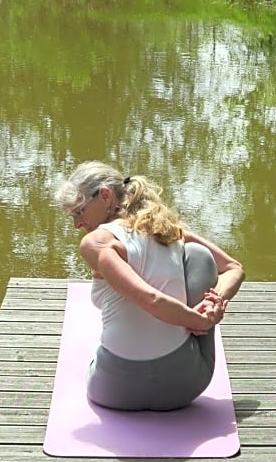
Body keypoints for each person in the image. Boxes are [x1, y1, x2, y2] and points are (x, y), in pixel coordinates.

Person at [55, 161, 245, 411]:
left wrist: (204, 315)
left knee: (197, 255)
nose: (76, 225)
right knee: (198, 256)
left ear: (104, 195)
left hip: (112, 392)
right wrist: (208, 312)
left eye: (79, 212)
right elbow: (234, 268)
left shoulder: (96, 242)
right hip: (184, 388)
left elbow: (150, 300)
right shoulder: (168, 231)